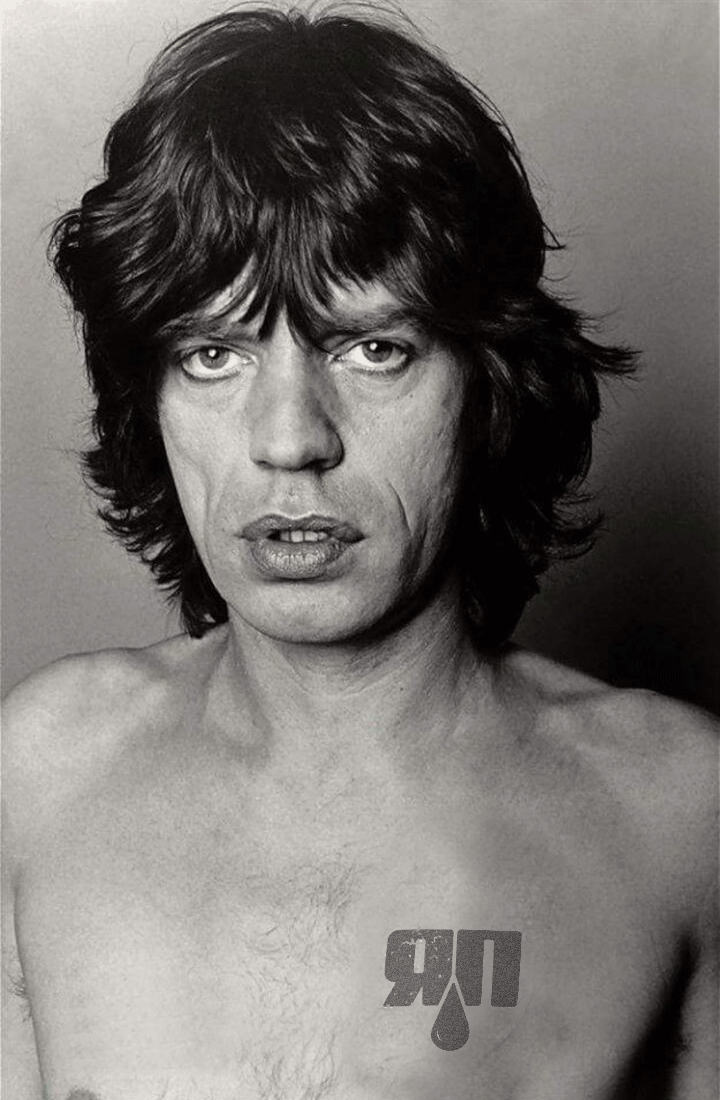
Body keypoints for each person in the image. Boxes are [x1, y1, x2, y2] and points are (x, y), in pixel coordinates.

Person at [2, 7, 717, 1099]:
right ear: (149, 400)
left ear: (490, 386)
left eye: (374, 348)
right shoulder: (40, 771)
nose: (291, 437)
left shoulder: (680, 815)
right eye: (212, 354)